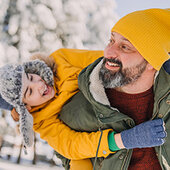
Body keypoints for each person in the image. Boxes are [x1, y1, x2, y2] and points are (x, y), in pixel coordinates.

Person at [0, 47, 167, 170]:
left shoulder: (60, 59)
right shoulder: (43, 122)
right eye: (29, 92)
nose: (38, 84)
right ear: (25, 107)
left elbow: (100, 61)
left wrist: (148, 63)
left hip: (115, 90)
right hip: (103, 132)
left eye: (31, 77)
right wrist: (124, 140)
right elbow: (72, 145)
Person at [54, 8, 170, 170]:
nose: (108, 51)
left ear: (152, 61)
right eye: (111, 41)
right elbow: (64, 149)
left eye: (125, 47)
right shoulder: (77, 111)